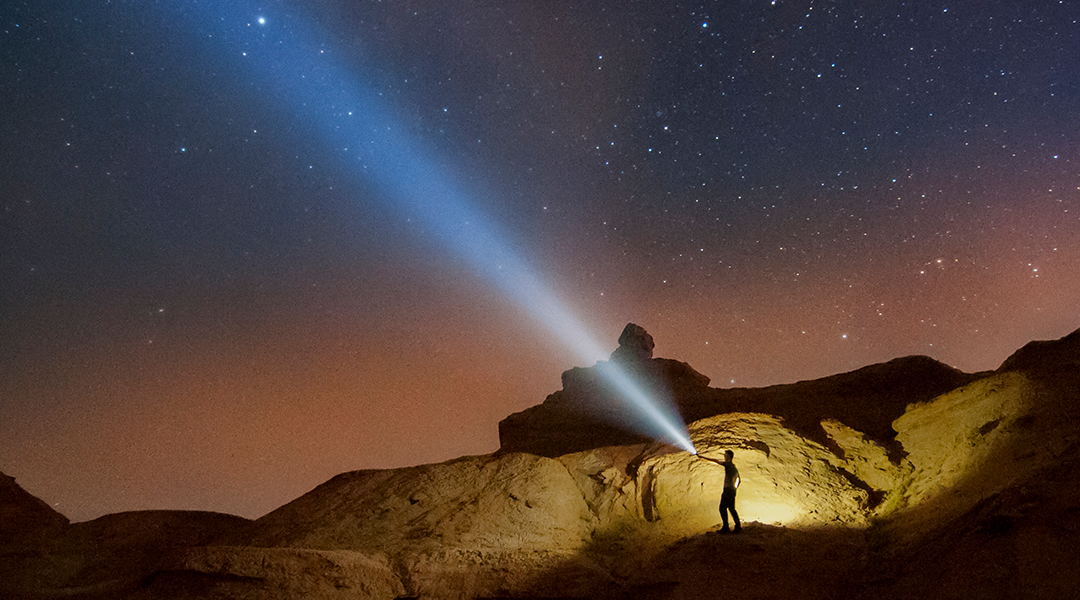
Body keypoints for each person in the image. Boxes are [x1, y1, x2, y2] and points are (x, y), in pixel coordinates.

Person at [700, 450, 741, 533]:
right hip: (732, 491)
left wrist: (702, 457)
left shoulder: (728, 465)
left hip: (728, 491)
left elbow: (716, 461)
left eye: (725, 455)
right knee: (731, 508)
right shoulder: (734, 467)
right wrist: (734, 488)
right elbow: (739, 480)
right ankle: (738, 526)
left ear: (729, 457)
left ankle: (726, 527)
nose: (724, 457)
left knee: (722, 508)